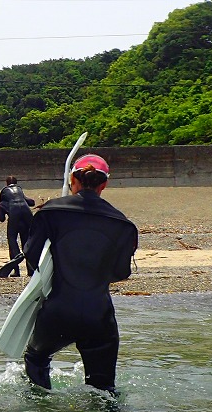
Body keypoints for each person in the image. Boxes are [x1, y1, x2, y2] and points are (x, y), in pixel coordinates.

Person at [22, 154, 138, 394]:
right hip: (99, 315)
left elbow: (33, 257)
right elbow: (120, 273)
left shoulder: (49, 212)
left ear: (72, 180)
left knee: (36, 358)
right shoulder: (122, 223)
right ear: (104, 185)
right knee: (104, 390)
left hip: (58, 311)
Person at [0, 176, 36, 277]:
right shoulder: (20, 191)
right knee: (26, 240)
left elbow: (1, 218)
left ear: (6, 183)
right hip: (26, 215)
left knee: (12, 239)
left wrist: (2, 211)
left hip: (14, 215)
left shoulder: (4, 193)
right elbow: (31, 202)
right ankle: (30, 269)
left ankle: (16, 267)